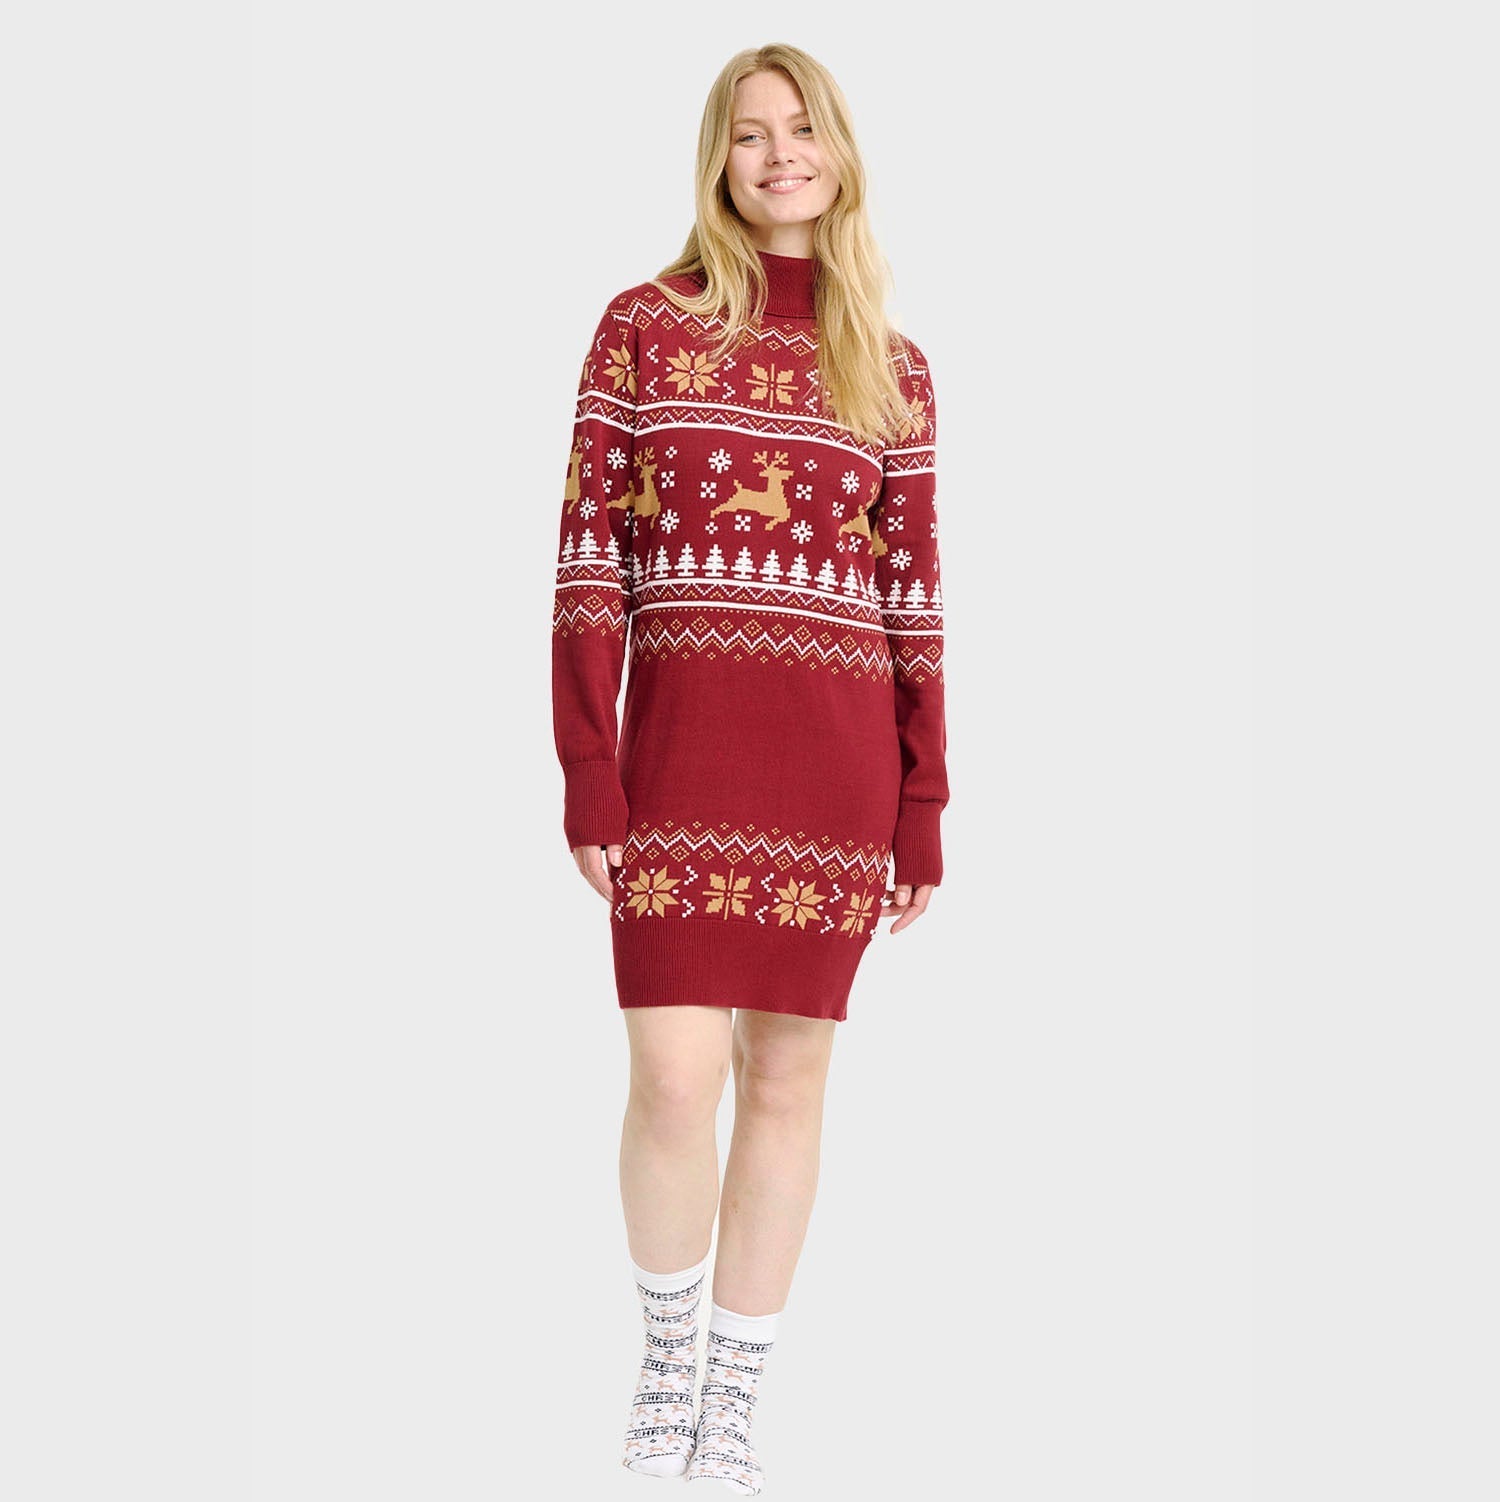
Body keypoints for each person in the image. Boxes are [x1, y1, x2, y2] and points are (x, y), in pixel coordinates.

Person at [549, 42, 949, 1495]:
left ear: (839, 150)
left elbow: (914, 601)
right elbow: (589, 564)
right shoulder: (642, 331)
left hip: (834, 777)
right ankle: (667, 1350)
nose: (780, 156)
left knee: (786, 1078)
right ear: (717, 160)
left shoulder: (891, 366)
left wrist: (923, 798)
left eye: (802, 129)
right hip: (679, 763)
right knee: (673, 1078)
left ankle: (733, 1393)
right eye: (749, 134)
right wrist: (588, 766)